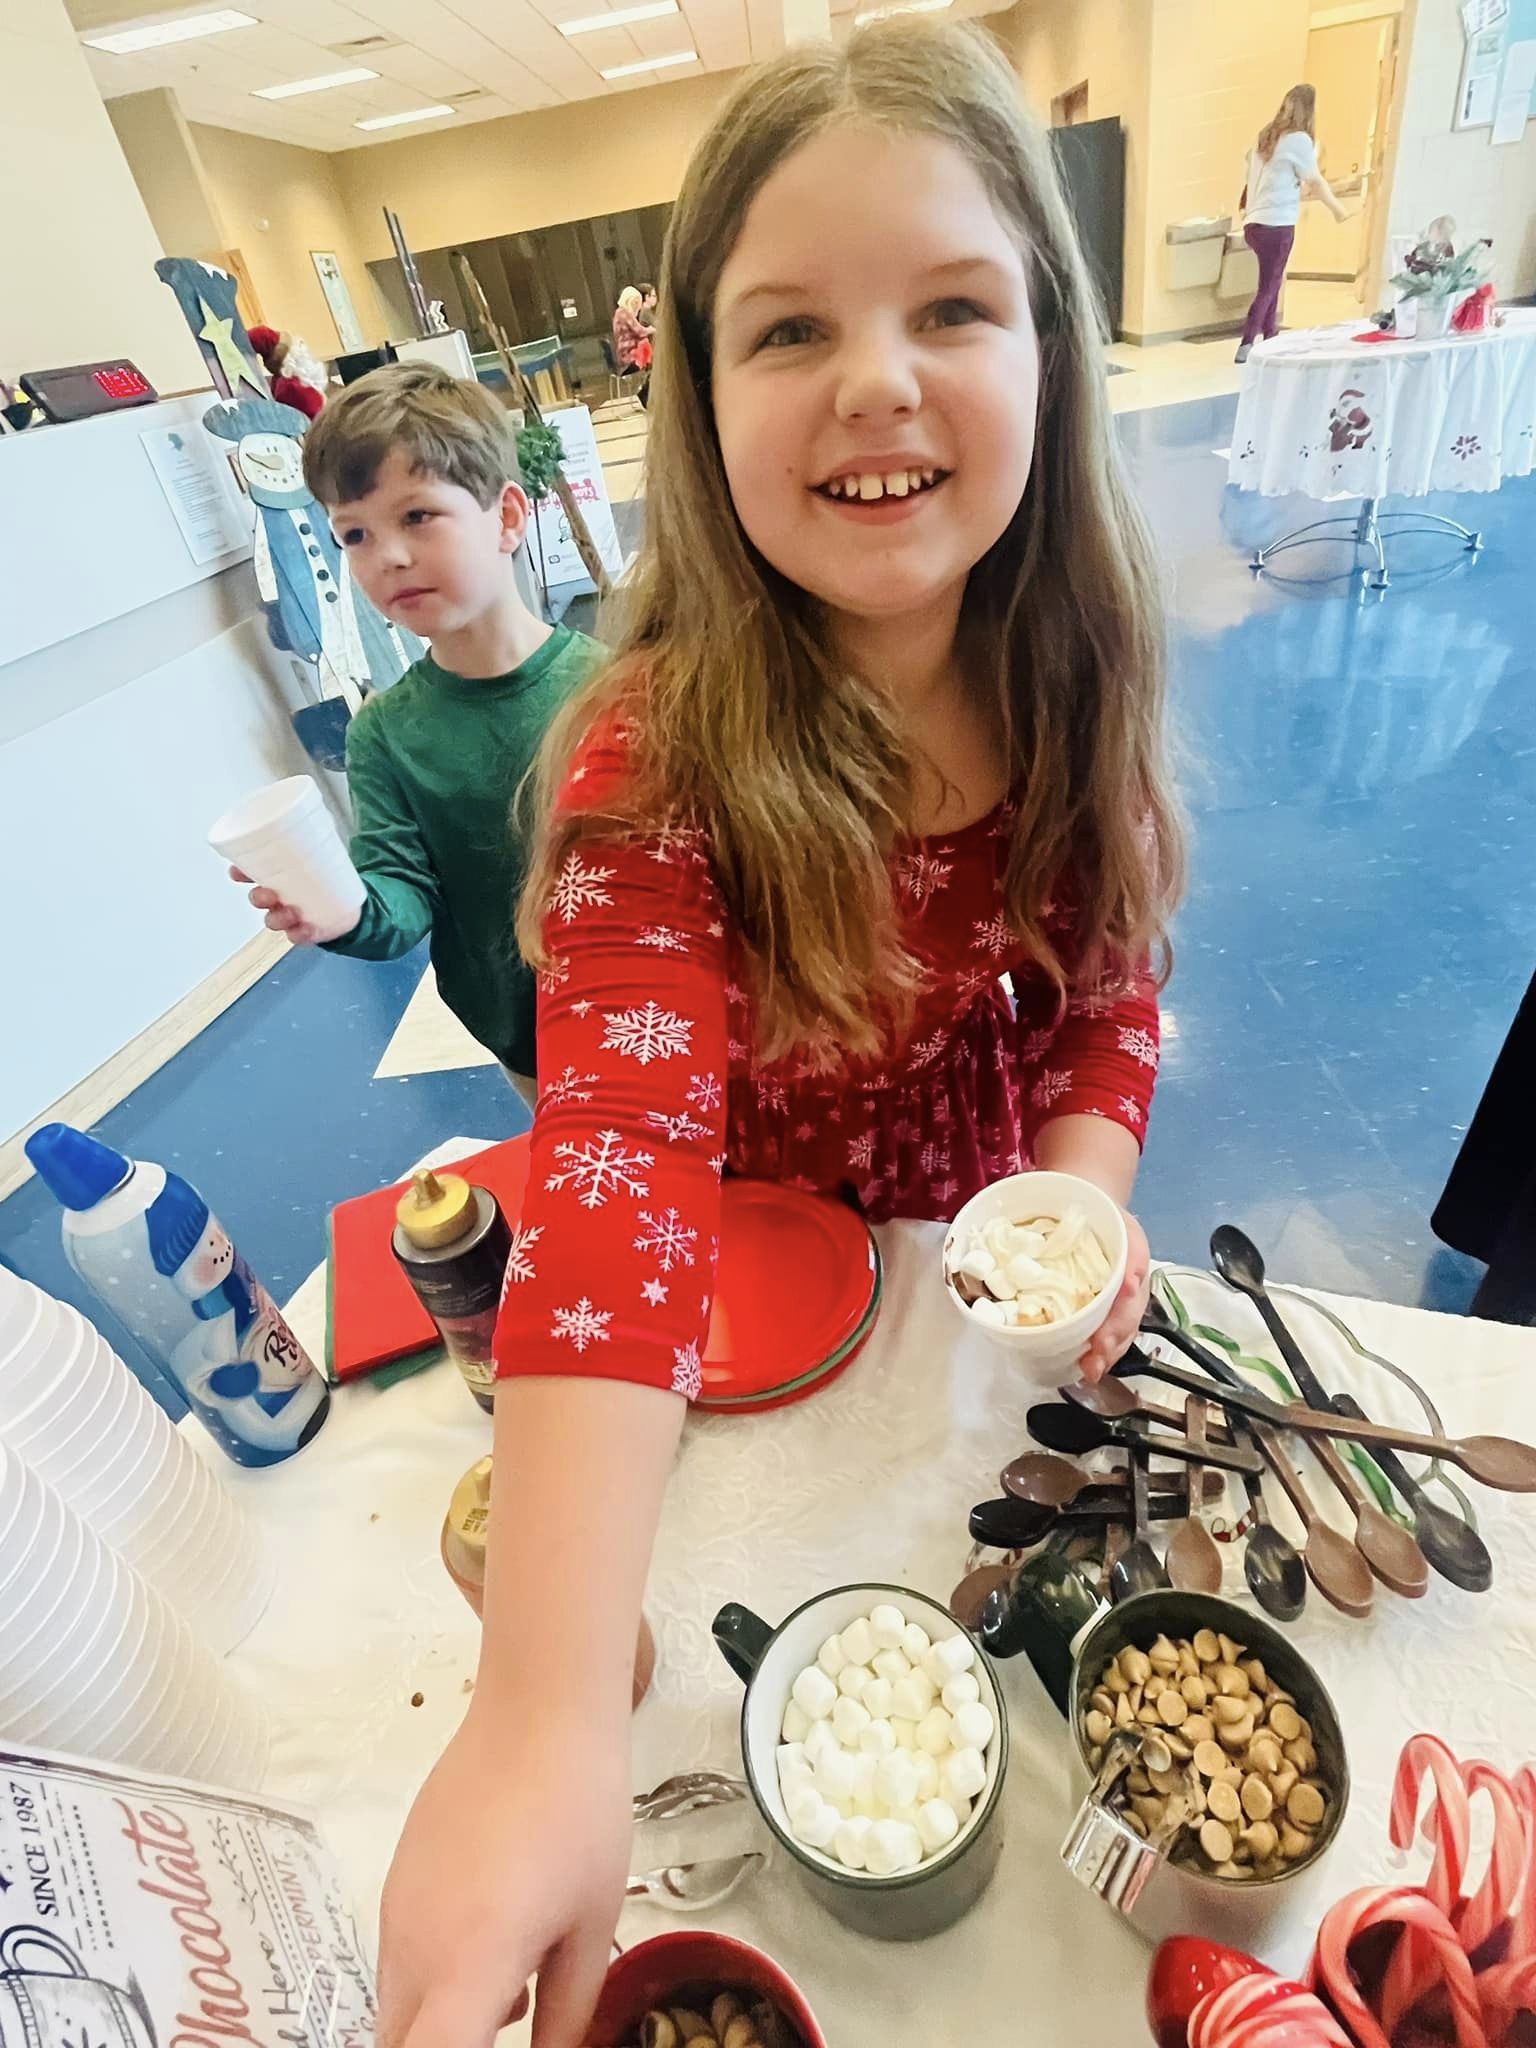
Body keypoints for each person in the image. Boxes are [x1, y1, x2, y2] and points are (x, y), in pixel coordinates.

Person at [377, 20, 1184, 2048]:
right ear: (698, 399)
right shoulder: (654, 753)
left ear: (1052, 354)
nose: (880, 380)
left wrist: (1076, 1199)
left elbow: (1113, 985)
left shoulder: (1074, 665)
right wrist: (546, 1705)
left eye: (952, 307)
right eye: (789, 329)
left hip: (978, 1320)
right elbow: (627, 1166)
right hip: (743, 1329)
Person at [228, 363, 603, 1105]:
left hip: (668, 1011)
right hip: (523, 1033)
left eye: (418, 517)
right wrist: (339, 910)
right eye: (355, 534)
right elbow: (399, 894)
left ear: (505, 517)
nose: (388, 557)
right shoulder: (387, 735)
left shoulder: (617, 688)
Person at [1237, 83, 1350, 362]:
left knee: (1273, 279)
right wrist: (1337, 209)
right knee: (1270, 283)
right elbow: (1314, 180)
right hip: (1277, 223)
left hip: (1254, 223)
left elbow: (1255, 169)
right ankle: (1247, 342)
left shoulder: (1265, 137)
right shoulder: (1299, 140)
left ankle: (1270, 336)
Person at [611, 284, 652, 373]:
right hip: (629, 355)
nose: (637, 306)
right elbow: (639, 331)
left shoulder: (619, 313)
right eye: (635, 302)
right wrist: (652, 329)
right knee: (651, 352)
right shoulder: (624, 313)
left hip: (626, 352)